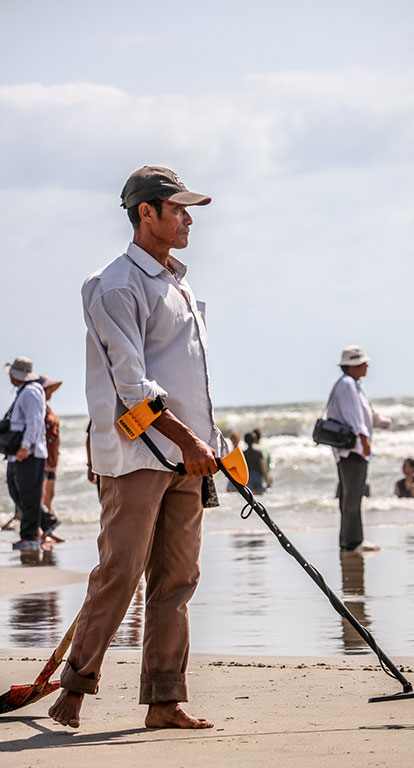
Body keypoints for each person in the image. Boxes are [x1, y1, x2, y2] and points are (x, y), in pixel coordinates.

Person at [49, 165, 227, 731]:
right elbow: (133, 392)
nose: (187, 218)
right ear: (144, 213)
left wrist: (209, 448)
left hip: (189, 458)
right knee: (120, 574)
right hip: (137, 457)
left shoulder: (179, 281)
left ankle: (164, 701)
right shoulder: (117, 284)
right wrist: (191, 441)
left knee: (178, 579)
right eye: (177, 209)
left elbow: (189, 379)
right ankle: (73, 690)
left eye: (187, 209)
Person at [326, 345, 390, 552]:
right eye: (364, 363)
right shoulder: (347, 385)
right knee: (353, 495)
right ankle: (354, 541)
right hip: (352, 449)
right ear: (354, 365)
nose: (367, 366)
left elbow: (361, 415)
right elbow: (354, 417)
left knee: (350, 495)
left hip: (350, 448)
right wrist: (364, 440)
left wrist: (379, 422)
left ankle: (349, 539)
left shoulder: (350, 384)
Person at [3, 357, 59, 550]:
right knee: (17, 490)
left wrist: (25, 447)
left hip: (29, 454)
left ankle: (29, 536)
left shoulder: (31, 392)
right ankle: (47, 520)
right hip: (19, 453)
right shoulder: (25, 392)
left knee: (27, 494)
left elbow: (35, 422)